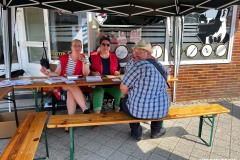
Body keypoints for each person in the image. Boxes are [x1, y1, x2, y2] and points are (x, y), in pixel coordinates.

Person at [120, 39, 170, 140]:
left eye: (139, 51)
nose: (136, 54)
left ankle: (136, 132)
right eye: (135, 51)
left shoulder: (139, 65)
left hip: (138, 111)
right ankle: (156, 131)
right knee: (156, 102)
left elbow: (123, 87)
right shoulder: (160, 66)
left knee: (124, 101)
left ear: (147, 52)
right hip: (162, 110)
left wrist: (126, 95)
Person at [40, 39, 91, 116]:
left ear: (81, 48)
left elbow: (86, 73)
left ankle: (70, 122)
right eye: (75, 45)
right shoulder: (63, 58)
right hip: (65, 83)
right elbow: (57, 73)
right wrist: (47, 73)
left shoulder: (84, 57)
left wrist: (83, 62)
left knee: (70, 93)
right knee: (71, 85)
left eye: (79, 46)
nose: (77, 47)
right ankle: (84, 108)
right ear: (71, 47)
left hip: (78, 83)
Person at [90, 36, 122, 113]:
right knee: (98, 93)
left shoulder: (114, 57)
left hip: (112, 85)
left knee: (120, 92)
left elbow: (119, 68)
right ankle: (97, 118)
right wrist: (93, 73)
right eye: (103, 44)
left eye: (108, 45)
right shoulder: (92, 56)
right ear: (100, 46)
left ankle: (117, 113)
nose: (105, 46)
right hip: (98, 85)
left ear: (110, 47)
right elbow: (87, 70)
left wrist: (117, 72)